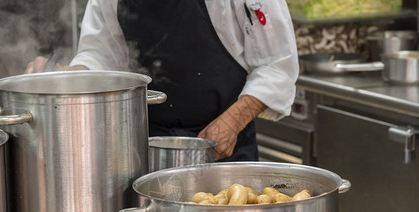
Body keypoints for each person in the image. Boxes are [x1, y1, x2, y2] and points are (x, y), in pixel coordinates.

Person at [25, 0, 299, 162]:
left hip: (224, 151)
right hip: (143, 150)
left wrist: (232, 123)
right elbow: (102, 53)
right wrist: (72, 76)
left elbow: (277, 67)